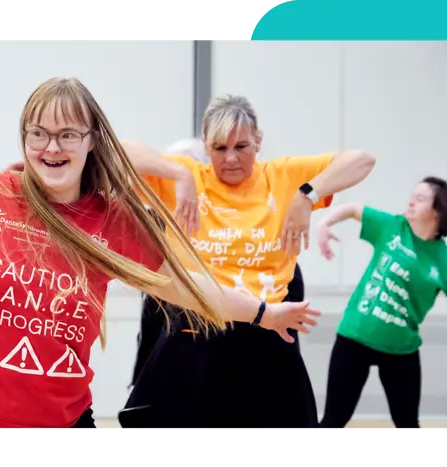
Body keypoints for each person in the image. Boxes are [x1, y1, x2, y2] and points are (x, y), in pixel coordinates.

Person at [0, 77, 320, 431]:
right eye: (38, 133)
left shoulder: (115, 224)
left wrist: (264, 312)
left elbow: (189, 288)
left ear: (91, 141)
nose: (51, 147)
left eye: (67, 134)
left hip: (56, 422)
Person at [124, 94, 376, 430]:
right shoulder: (188, 177)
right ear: (205, 144)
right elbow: (114, 150)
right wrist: (177, 173)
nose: (230, 158)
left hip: (264, 334)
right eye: (219, 148)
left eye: (241, 146)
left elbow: (362, 160)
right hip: (197, 334)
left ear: (258, 141)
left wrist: (307, 195)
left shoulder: (282, 176)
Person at [313, 177, 447, 430]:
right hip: (353, 339)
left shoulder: (443, 258)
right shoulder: (393, 226)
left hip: (401, 350)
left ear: (438, 211)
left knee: (408, 425)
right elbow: (353, 209)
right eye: (412, 196)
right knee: (333, 421)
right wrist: (324, 223)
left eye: (420, 199)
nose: (411, 202)